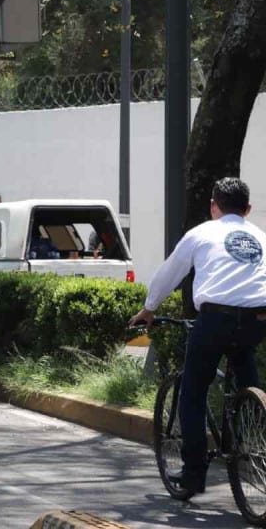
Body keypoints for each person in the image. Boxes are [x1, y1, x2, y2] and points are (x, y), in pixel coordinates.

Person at [129, 177, 266, 495]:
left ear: (213, 206)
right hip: (259, 318)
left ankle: (193, 475)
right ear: (247, 209)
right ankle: (249, 421)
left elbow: (169, 273)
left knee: (192, 393)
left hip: (215, 318)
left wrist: (149, 309)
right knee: (243, 360)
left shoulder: (202, 232)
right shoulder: (260, 236)